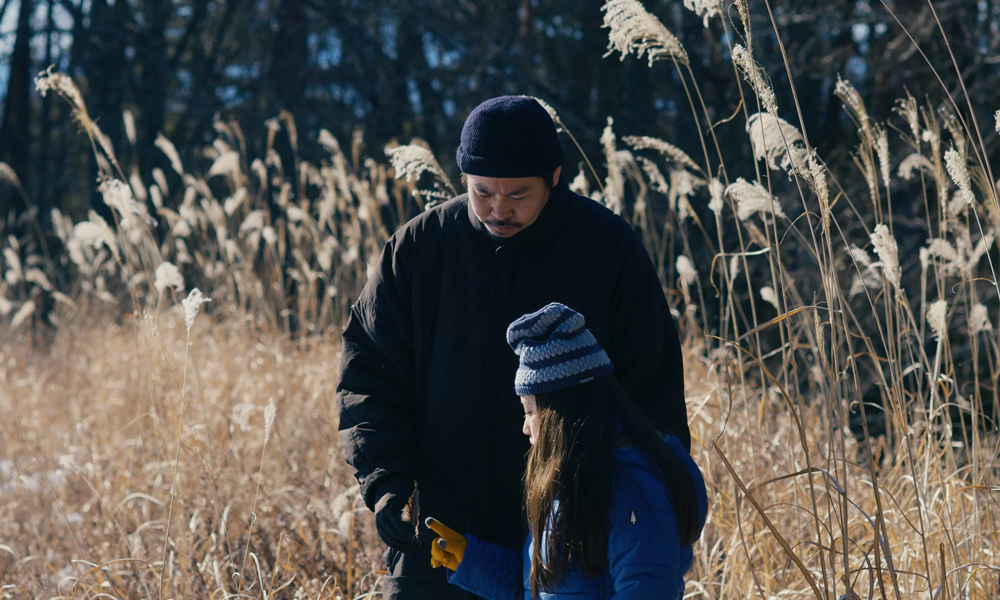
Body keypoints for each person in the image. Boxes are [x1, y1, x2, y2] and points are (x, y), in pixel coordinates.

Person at [336, 96, 689, 599]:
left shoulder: (607, 250)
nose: (499, 209)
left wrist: (644, 510)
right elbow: (368, 376)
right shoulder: (419, 249)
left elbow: (650, 398)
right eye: (482, 192)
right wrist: (386, 482)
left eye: (519, 194)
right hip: (439, 538)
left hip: (569, 540)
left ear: (555, 176)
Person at [425, 302, 707, 600]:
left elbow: (648, 590)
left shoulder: (632, 491)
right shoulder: (575, 481)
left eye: (530, 411)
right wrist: (473, 562)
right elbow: (545, 589)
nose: (525, 427)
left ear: (558, 415)